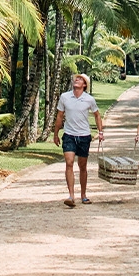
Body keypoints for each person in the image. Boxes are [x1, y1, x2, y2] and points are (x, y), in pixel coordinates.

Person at [52, 73, 103, 207]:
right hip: (69, 135)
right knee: (69, 163)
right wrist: (56, 134)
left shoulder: (89, 99)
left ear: (84, 85)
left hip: (84, 136)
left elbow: (97, 115)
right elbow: (59, 116)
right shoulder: (64, 97)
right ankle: (71, 195)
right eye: (77, 78)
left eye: (80, 79)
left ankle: (83, 195)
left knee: (82, 166)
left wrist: (100, 131)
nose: (77, 80)